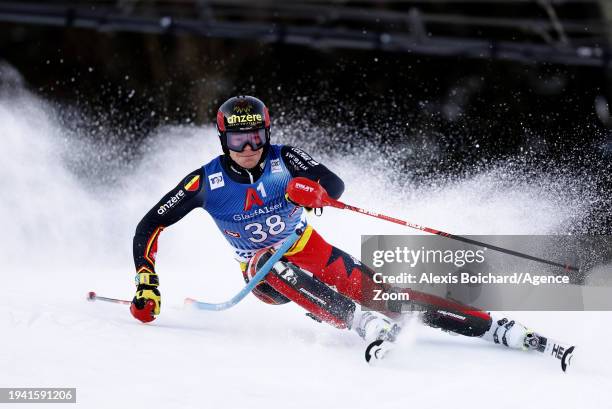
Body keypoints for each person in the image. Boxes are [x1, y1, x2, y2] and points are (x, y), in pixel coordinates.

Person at [131, 95, 541, 352]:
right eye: (239, 141)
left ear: (267, 134)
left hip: (308, 246)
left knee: (385, 294)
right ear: (224, 141)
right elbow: (150, 224)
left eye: (257, 138)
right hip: (265, 278)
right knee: (265, 262)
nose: (249, 149)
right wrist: (146, 279)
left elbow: (333, 183)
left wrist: (313, 191)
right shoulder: (206, 181)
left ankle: (487, 325)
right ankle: (355, 319)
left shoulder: (284, 158)